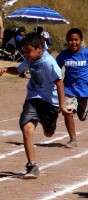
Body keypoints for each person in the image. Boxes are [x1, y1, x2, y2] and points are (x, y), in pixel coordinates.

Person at [0, 33, 71, 179]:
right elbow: (19, 69)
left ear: (39, 48)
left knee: (49, 133)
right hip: (33, 98)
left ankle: (48, 123)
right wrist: (6, 69)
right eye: (24, 51)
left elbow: (59, 83)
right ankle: (32, 166)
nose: (25, 55)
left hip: (50, 103)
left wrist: (62, 107)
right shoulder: (29, 59)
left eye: (28, 51)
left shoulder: (49, 63)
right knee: (26, 127)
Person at [56, 28, 88, 148]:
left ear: (81, 41)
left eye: (76, 40)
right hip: (69, 89)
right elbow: (55, 68)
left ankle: (82, 110)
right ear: (67, 41)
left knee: (82, 117)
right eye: (70, 40)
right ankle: (73, 140)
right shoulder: (63, 55)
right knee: (68, 113)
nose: (73, 42)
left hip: (85, 90)